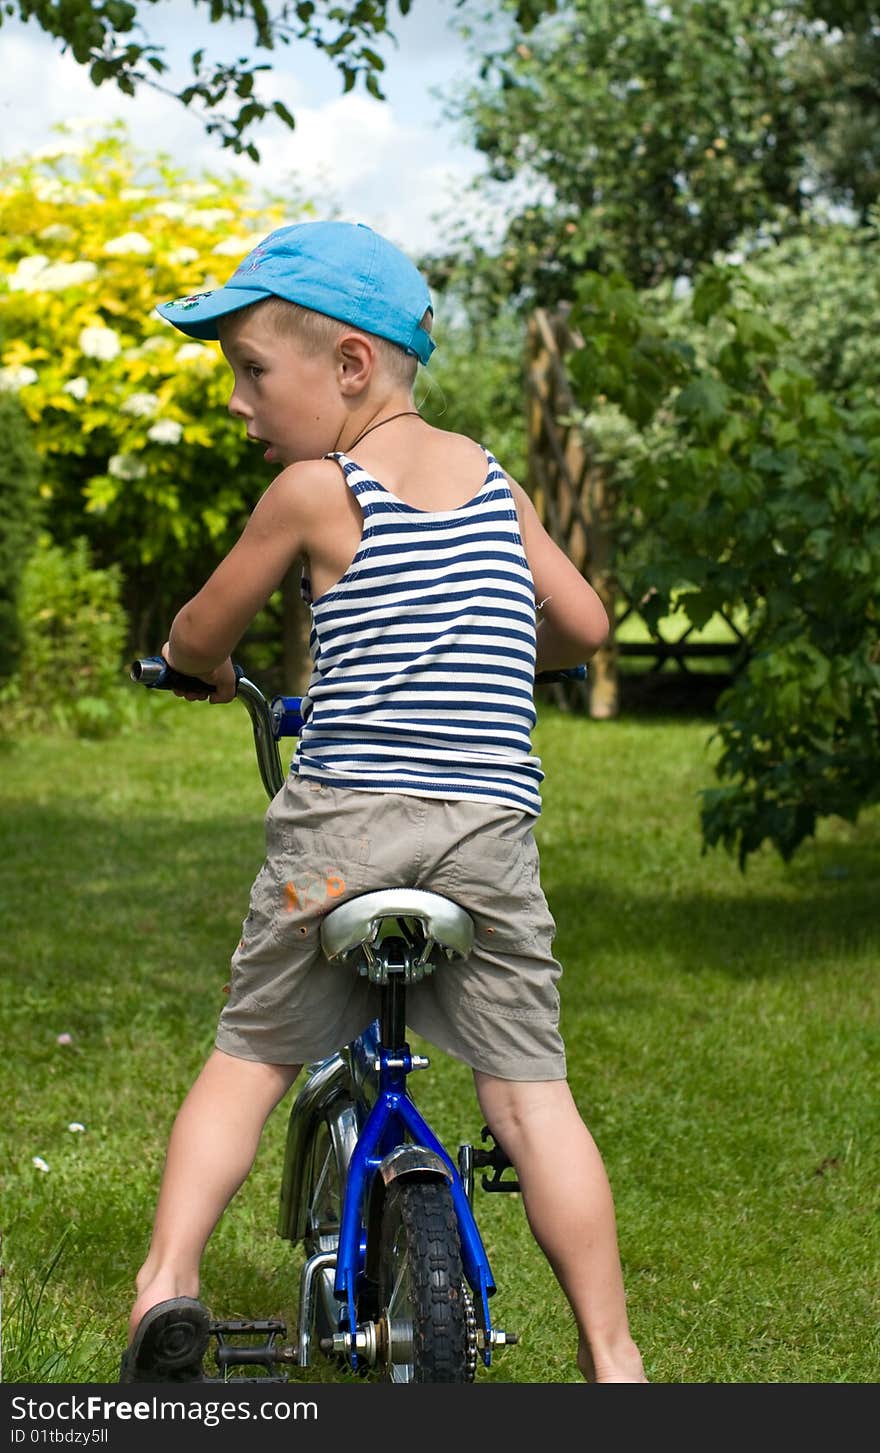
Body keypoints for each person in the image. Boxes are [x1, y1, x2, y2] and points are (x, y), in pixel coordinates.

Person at [120, 220, 646, 1385]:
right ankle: (614, 1357)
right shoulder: (496, 487)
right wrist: (514, 643)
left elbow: (202, 630)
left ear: (349, 367)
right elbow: (586, 628)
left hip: (339, 843)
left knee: (251, 1053)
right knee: (532, 1098)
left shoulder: (315, 491)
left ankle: (167, 1284)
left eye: (254, 371)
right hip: (489, 848)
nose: (242, 403)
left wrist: (197, 664)